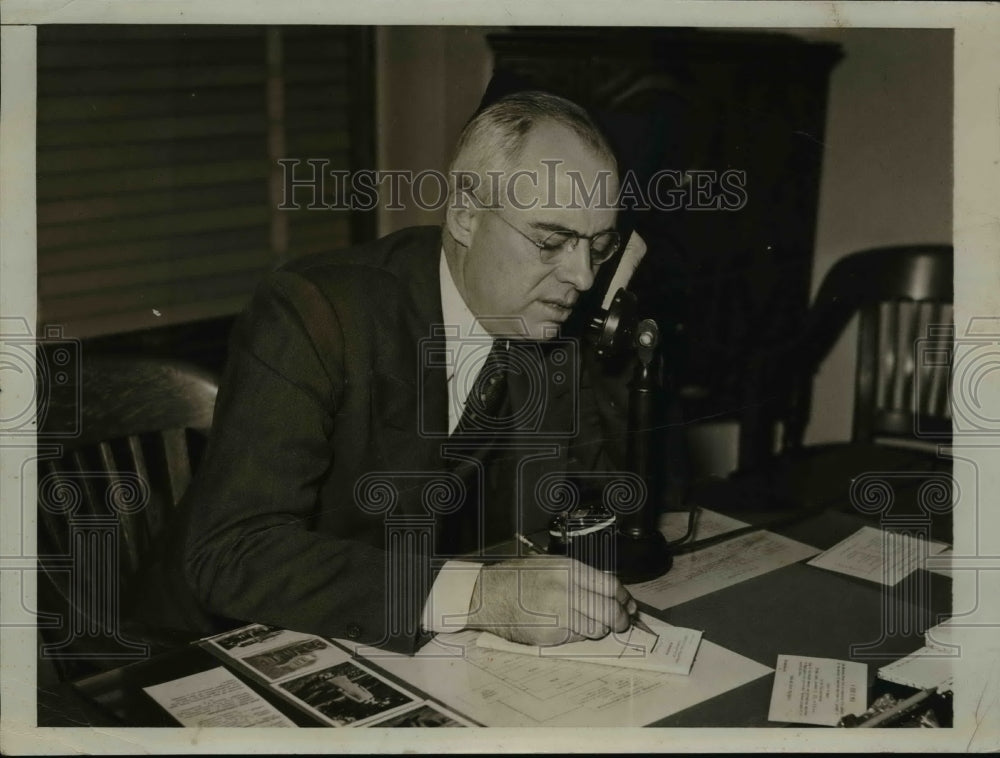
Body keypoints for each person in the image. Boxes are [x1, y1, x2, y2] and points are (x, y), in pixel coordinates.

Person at [165, 91, 640, 654]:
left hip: (400, 648)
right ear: (465, 214)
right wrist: (480, 596)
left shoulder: (548, 315)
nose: (583, 277)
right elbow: (232, 553)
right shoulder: (315, 313)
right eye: (552, 241)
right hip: (209, 648)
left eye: (599, 246)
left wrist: (620, 335)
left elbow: (595, 508)